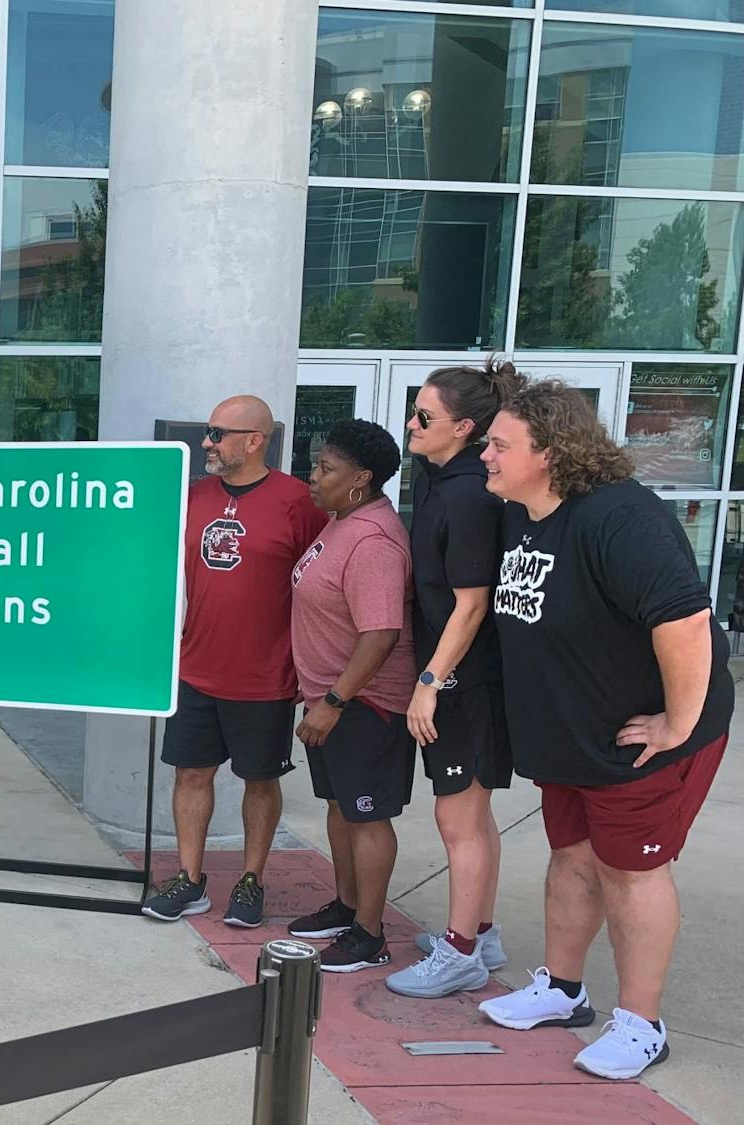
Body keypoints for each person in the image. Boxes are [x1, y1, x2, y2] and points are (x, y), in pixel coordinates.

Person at [477, 381, 731, 1080]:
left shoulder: (621, 518)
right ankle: (561, 990)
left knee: (632, 869)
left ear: (550, 453)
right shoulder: (525, 513)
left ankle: (641, 1024)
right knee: (574, 856)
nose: (486, 453)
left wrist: (678, 722)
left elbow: (684, 622)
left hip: (639, 739)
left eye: (500, 444)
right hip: (573, 737)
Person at [141, 396, 326, 925]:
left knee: (259, 780)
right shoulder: (194, 495)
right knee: (190, 775)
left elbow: (321, 587)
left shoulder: (298, 501)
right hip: (197, 666)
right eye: (208, 432)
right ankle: (190, 878)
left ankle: (251, 880)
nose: (207, 442)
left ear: (254, 440)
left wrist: (309, 666)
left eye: (219, 434)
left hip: (267, 675)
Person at [384, 359, 523, 1000]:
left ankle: (462, 951)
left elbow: (472, 603)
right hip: (469, 677)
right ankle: (480, 933)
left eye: (424, 416)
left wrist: (430, 682)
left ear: (464, 427)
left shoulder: (467, 495)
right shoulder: (445, 480)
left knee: (457, 819)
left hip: (466, 682)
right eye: (415, 410)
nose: (411, 423)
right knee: (472, 815)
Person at [286, 420, 417, 973]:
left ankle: (369, 932)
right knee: (340, 808)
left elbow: (381, 633)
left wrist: (334, 702)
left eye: (325, 470)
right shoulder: (342, 522)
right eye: (315, 466)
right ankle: (346, 905)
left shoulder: (373, 541)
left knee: (367, 816)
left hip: (364, 705)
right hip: (330, 699)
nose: (312, 478)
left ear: (360, 478)